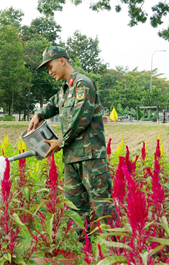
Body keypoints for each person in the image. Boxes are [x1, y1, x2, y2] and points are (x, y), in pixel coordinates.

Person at [28, 45, 113, 236]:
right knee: (76, 211)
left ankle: (117, 253)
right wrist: (39, 114)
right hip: (72, 159)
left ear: (62, 61)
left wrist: (60, 142)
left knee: (102, 207)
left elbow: (80, 119)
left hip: (90, 158)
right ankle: (84, 253)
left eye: (50, 67)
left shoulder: (83, 84)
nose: (49, 72)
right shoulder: (65, 90)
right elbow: (52, 104)